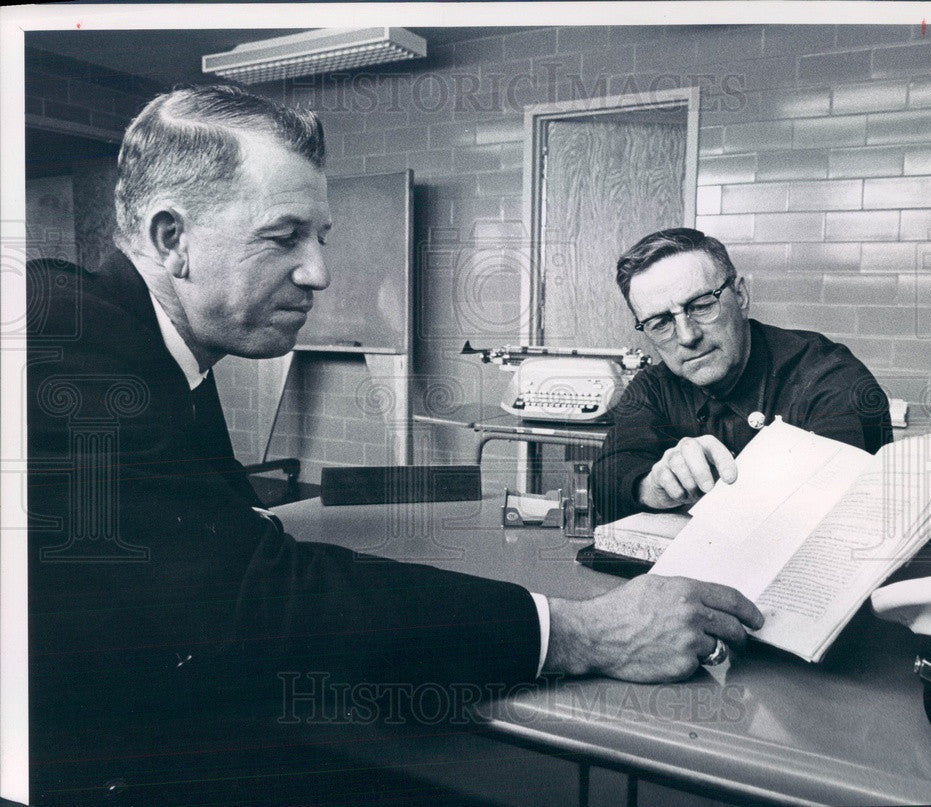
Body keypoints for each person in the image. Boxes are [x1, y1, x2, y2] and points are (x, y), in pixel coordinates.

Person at [26, 86, 763, 804]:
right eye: (285, 236)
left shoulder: (154, 341)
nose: (319, 272)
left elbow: (233, 554)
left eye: (320, 238)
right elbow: (255, 602)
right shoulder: (63, 346)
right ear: (171, 238)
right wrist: (582, 630)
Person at [592, 227, 892, 523]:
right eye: (660, 323)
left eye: (701, 306)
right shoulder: (653, 387)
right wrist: (653, 487)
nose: (686, 337)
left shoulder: (830, 377)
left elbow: (845, 514)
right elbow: (607, 477)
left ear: (740, 295)